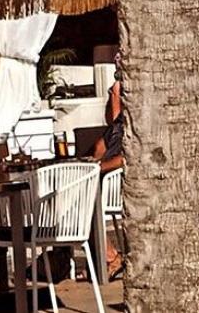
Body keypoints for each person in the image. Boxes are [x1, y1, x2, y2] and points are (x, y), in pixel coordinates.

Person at [90, 59, 125, 276]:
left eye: (112, 93)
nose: (109, 95)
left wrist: (98, 168)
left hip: (115, 184)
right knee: (66, 199)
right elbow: (97, 150)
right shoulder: (114, 128)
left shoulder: (130, 125)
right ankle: (59, 260)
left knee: (79, 202)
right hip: (100, 180)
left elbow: (125, 158)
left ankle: (111, 257)